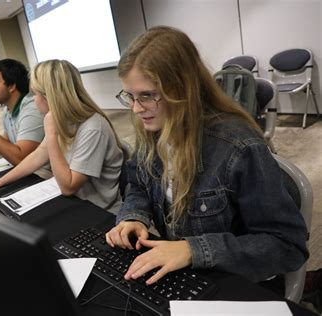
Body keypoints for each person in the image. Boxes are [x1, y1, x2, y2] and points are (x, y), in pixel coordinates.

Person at [105, 26, 308, 288]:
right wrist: (134, 215)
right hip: (192, 274)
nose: (135, 108)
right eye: (130, 96)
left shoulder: (239, 147)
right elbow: (138, 183)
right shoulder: (153, 129)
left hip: (237, 282)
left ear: (181, 89)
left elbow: (287, 246)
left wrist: (192, 250)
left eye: (146, 95)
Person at [0, 59, 123, 211]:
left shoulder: (93, 128)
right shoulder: (64, 120)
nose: (33, 100)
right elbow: (38, 156)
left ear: (50, 96)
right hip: (78, 200)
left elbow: (68, 187)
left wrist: (50, 134)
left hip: (99, 210)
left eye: (35, 94)